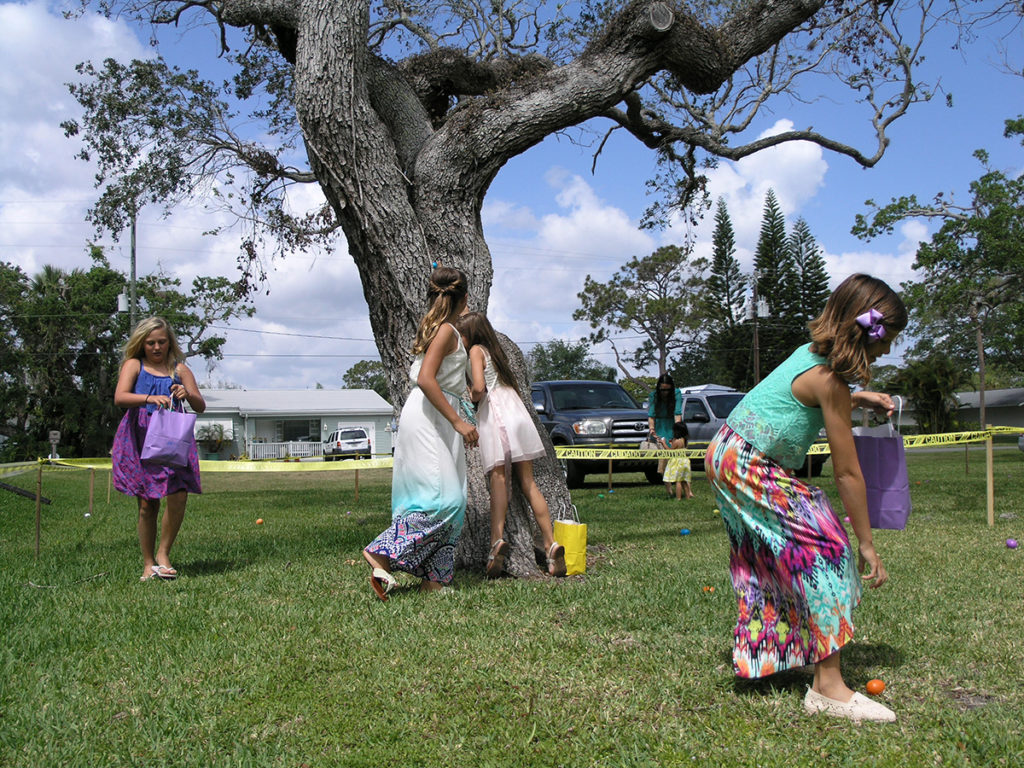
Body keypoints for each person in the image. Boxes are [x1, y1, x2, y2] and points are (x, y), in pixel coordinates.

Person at [704, 274, 907, 723]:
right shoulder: (829, 380)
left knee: (780, 557)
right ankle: (828, 689)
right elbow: (848, 471)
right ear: (864, 332)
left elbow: (802, 399)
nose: (887, 350)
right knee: (826, 554)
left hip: (730, 452)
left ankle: (780, 650)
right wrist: (866, 541)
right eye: (886, 340)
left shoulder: (810, 357)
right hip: (746, 463)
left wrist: (858, 399)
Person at [363, 266, 479, 599]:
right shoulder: (447, 331)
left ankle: (435, 580)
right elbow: (427, 379)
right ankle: (380, 552)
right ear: (465, 298)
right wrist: (458, 421)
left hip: (435, 415)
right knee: (445, 500)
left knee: (445, 496)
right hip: (431, 416)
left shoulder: (445, 330)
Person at [456, 312, 566, 578]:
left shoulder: (475, 352)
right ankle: (550, 543)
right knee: (528, 483)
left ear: (470, 333)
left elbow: (480, 388)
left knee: (499, 479)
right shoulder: (496, 351)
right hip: (515, 410)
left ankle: (496, 541)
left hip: (496, 414)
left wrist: (466, 395)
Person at [112, 316, 206, 582]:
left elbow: (200, 405)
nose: (156, 347)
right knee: (147, 503)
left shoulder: (180, 369)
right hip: (141, 435)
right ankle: (148, 562)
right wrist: (148, 398)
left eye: (161, 342)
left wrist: (187, 394)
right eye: (150, 342)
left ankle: (164, 554)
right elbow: (120, 397)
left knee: (178, 495)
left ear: (169, 342)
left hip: (173, 437)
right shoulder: (134, 365)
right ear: (142, 343)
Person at [647, 373, 682, 474]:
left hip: (672, 424)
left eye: (667, 390)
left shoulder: (677, 394)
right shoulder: (653, 395)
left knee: (675, 447)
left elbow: (677, 413)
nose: (665, 392)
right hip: (659, 426)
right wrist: (652, 429)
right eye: (662, 390)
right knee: (663, 447)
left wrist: (677, 432)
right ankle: (664, 474)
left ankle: (674, 473)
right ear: (659, 388)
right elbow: (651, 415)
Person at [661, 420, 693, 500]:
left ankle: (678, 498)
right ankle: (687, 496)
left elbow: (670, 451)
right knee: (684, 481)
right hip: (685, 462)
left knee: (678, 481)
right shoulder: (684, 440)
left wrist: (663, 443)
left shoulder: (677, 441)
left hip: (678, 463)